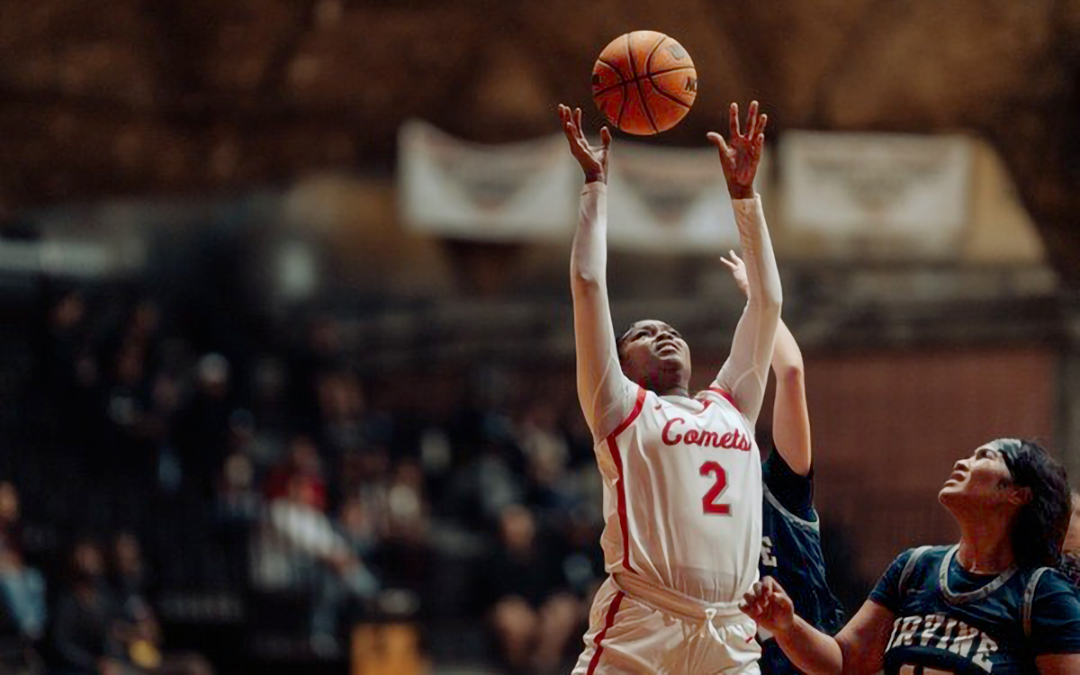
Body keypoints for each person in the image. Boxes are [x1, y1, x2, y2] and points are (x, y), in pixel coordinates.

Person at [560, 100, 781, 675]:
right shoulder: (620, 408)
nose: (662, 333)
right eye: (641, 333)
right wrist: (595, 185)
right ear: (622, 363)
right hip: (643, 623)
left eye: (669, 329)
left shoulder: (732, 403)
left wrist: (744, 198)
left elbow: (768, 303)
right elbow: (587, 283)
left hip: (729, 630)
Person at [742, 438, 1080, 674]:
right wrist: (787, 626)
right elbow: (844, 661)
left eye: (985, 457)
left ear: (1017, 495)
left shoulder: (1043, 595)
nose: (963, 462)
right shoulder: (915, 568)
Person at [721, 252, 846, 673]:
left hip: (808, 658)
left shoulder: (780, 487)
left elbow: (790, 371)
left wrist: (760, 299)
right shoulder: (698, 505)